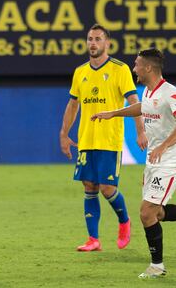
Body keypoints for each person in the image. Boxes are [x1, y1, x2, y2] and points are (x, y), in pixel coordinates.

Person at [59, 24, 148, 251]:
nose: (93, 43)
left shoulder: (120, 69)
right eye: (90, 39)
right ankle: (93, 239)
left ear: (106, 42)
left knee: (107, 188)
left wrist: (140, 131)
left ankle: (124, 221)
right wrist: (64, 133)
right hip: (86, 139)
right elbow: (73, 105)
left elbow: (133, 102)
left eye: (98, 39)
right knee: (89, 186)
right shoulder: (80, 72)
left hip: (109, 139)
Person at [92, 48, 176, 278]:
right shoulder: (149, 92)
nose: (134, 68)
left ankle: (157, 266)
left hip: (169, 161)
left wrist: (163, 146)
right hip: (154, 161)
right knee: (157, 213)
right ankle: (157, 264)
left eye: (137, 64)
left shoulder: (170, 93)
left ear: (148, 68)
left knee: (146, 213)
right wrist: (113, 113)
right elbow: (142, 107)